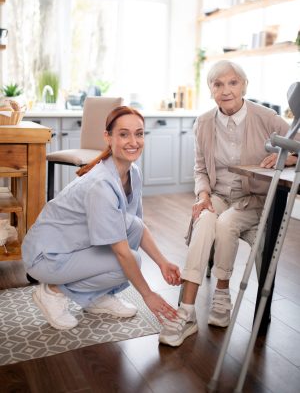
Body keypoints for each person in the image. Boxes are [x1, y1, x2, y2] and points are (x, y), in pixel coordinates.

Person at [159, 60, 298, 347]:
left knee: (224, 224)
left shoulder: (266, 117)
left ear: (244, 85)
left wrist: (290, 157)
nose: (226, 90)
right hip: (218, 196)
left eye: (233, 83)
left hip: (254, 200)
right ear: (210, 90)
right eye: (218, 84)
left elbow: (299, 144)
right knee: (205, 219)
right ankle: (186, 312)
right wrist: (203, 196)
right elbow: (200, 169)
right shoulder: (204, 122)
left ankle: (222, 294)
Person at [22, 106, 181, 331]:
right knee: (131, 261)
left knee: (133, 227)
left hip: (73, 246)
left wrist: (163, 262)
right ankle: (52, 293)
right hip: (46, 256)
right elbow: (122, 253)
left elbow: (138, 226)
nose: (133, 141)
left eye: (139, 133)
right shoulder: (101, 185)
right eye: (124, 134)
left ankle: (97, 296)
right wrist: (148, 295)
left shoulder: (132, 172)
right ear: (108, 137)